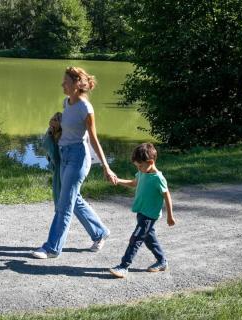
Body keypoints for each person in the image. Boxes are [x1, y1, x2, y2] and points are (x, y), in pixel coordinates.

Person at [32, 67, 118, 259]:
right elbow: (67, 128)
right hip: (64, 155)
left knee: (64, 204)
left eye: (66, 82)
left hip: (78, 158)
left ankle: (52, 248)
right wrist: (56, 125)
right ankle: (100, 232)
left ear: (77, 84)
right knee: (73, 199)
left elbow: (94, 139)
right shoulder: (67, 103)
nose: (62, 84)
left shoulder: (85, 108)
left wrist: (106, 166)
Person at [109, 143, 175, 278]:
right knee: (149, 239)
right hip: (141, 213)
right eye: (137, 166)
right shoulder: (142, 173)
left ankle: (123, 266)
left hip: (149, 216)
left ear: (150, 162)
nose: (138, 169)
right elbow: (134, 183)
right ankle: (162, 261)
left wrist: (170, 216)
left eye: (140, 166)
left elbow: (167, 195)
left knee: (135, 239)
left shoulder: (158, 178)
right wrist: (118, 180)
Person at [41, 112, 62, 205]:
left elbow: (56, 154)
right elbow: (46, 146)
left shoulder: (63, 135)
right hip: (56, 166)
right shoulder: (51, 132)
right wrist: (50, 134)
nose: (52, 121)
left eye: (55, 120)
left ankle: (61, 211)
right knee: (56, 191)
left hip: (62, 166)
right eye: (52, 119)